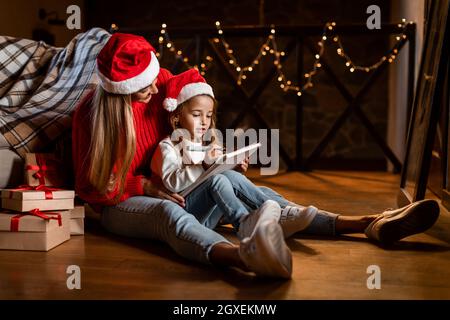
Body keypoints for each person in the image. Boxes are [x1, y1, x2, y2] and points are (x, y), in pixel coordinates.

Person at [72, 32, 441, 280]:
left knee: (229, 178)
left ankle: (364, 223)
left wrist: (218, 154)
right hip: (121, 204)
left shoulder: (159, 84)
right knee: (167, 213)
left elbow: (195, 104)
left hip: (179, 185)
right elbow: (92, 190)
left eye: (155, 78)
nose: (155, 87)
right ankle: (245, 256)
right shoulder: (92, 116)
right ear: (119, 91)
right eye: (144, 87)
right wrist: (147, 186)